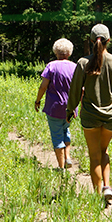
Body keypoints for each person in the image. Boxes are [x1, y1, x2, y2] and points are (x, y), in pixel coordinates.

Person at [66, 23, 112, 203]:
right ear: (109, 40)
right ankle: (107, 186)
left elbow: (75, 91)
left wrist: (70, 110)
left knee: (94, 155)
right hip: (111, 116)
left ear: (91, 40)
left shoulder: (83, 63)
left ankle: (98, 193)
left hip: (90, 116)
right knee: (104, 151)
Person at [35, 38, 77, 170]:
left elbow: (43, 86)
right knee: (66, 130)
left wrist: (37, 100)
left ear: (56, 52)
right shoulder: (75, 67)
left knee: (57, 136)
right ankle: (68, 156)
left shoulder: (51, 66)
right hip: (70, 108)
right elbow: (80, 88)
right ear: (69, 53)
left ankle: (61, 167)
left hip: (54, 108)